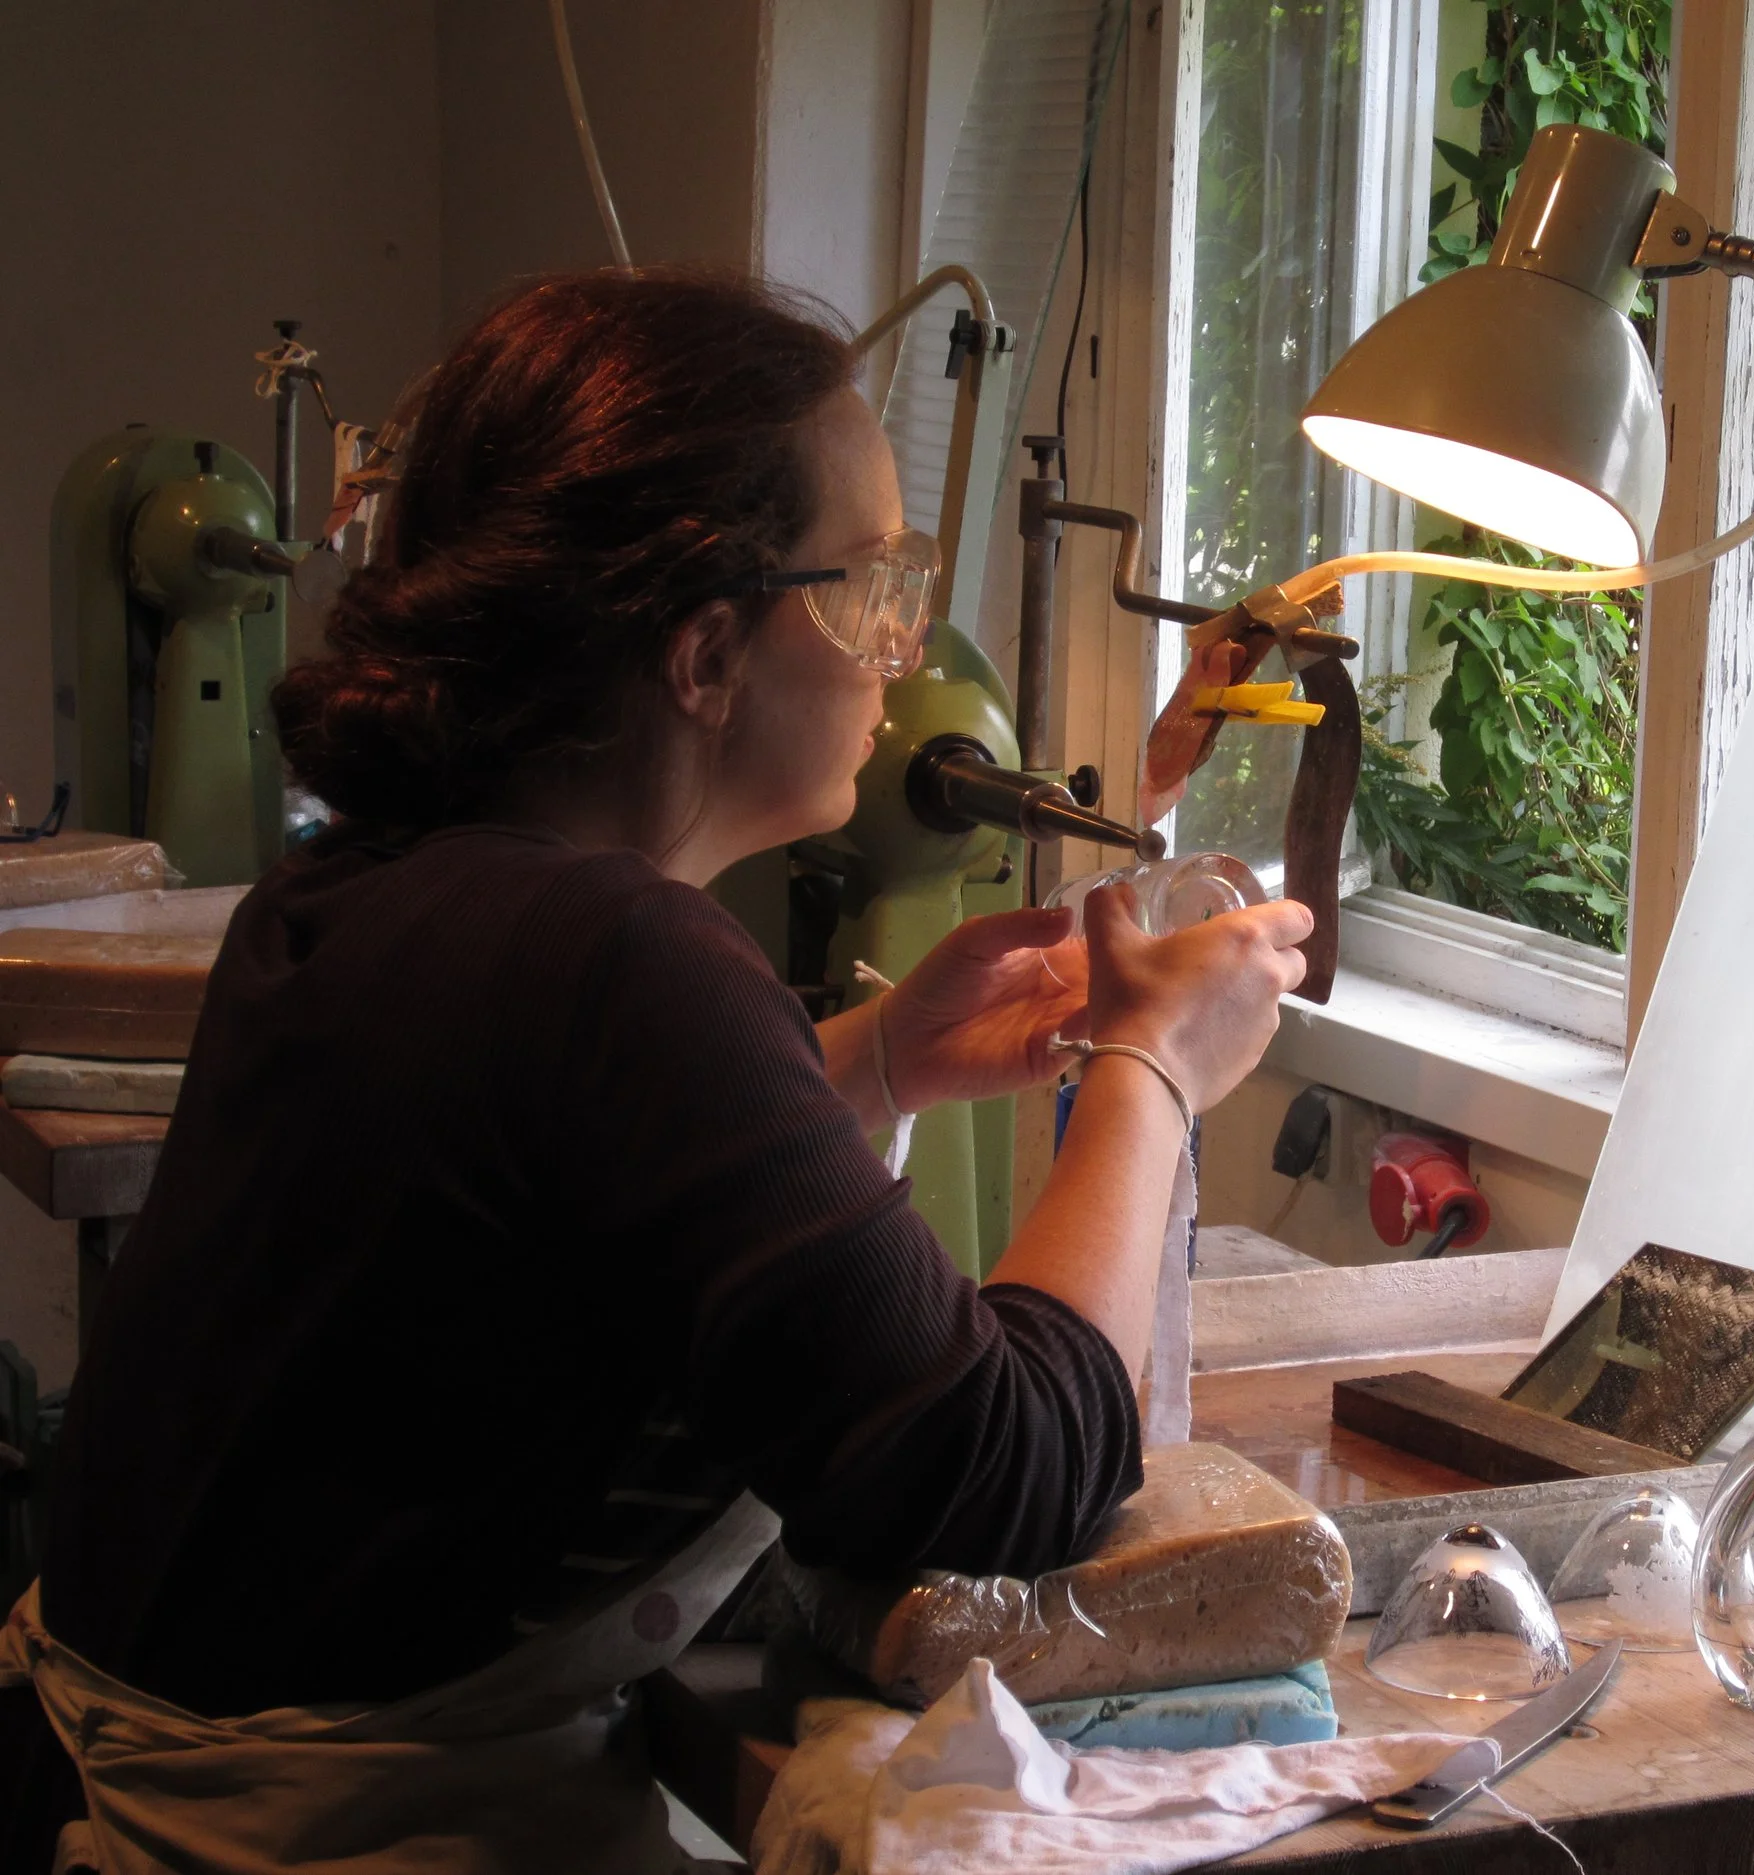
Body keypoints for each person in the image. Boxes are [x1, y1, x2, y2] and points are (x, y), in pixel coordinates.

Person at [0, 268, 1311, 1872]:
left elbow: (552, 1198)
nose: (899, 649)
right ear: (703, 654)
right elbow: (997, 1469)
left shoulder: (367, 887)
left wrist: (880, 1063)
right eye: (869, 581)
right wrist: (1153, 1070)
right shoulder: (617, 954)